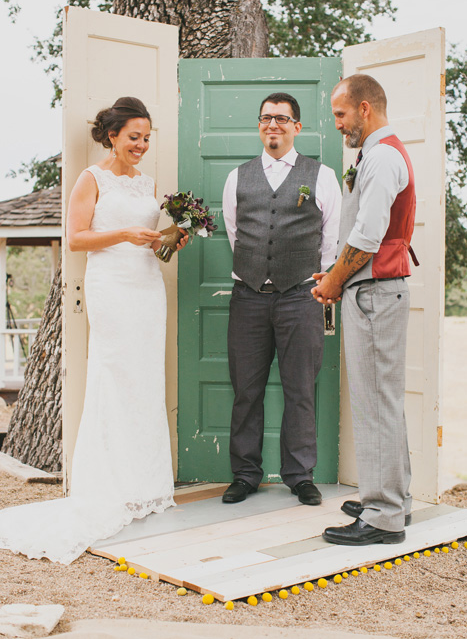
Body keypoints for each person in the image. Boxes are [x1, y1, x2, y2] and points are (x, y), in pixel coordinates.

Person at [0, 96, 187, 564]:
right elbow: (77, 238)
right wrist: (124, 234)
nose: (142, 145)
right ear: (112, 136)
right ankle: (110, 484)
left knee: (145, 382)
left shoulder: (148, 182)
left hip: (146, 286)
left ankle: (145, 485)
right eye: (133, 137)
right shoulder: (91, 178)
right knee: (116, 377)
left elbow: (150, 242)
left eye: (147, 138)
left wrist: (169, 238)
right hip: (112, 288)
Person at [222, 92, 341, 506]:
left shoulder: (320, 175)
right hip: (248, 296)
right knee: (246, 390)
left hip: (300, 297)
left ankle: (299, 475)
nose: (273, 125)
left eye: (282, 118)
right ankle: (245, 474)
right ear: (259, 125)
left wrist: (318, 284)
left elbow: (331, 239)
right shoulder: (238, 176)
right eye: (266, 118)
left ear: (296, 126)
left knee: (300, 390)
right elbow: (236, 232)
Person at [312, 74, 417, 545]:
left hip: (375, 293)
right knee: (381, 402)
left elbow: (369, 236)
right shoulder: (375, 155)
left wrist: (336, 280)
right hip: (372, 289)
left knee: (376, 405)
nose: (337, 123)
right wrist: (335, 273)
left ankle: (382, 515)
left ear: (365, 108)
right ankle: (392, 499)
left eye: (341, 113)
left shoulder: (382, 156)